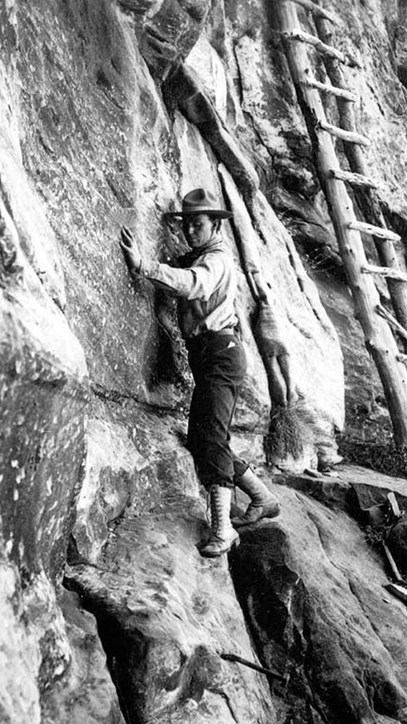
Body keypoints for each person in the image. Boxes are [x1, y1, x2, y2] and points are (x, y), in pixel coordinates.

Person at [120, 187, 280, 557]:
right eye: (188, 225)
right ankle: (262, 497)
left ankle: (223, 529)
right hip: (212, 354)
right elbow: (186, 270)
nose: (192, 231)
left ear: (215, 226)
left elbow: (194, 283)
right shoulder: (201, 255)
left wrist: (145, 266)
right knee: (204, 439)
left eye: (199, 224)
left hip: (220, 352)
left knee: (210, 439)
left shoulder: (217, 260)